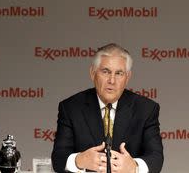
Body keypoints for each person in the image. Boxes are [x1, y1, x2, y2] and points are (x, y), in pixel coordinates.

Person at [51, 43, 164, 173]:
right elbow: (58, 158)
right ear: (93, 73)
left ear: (127, 78)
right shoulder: (71, 108)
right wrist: (79, 160)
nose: (112, 80)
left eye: (119, 73)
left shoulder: (146, 109)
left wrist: (134, 167)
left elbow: (156, 158)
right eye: (106, 71)